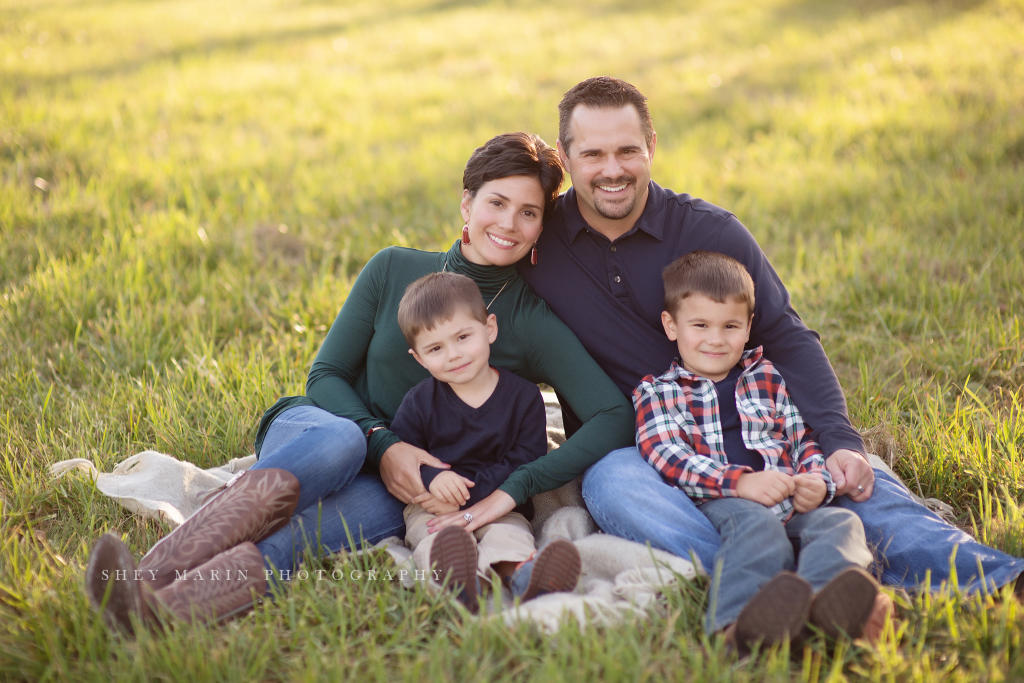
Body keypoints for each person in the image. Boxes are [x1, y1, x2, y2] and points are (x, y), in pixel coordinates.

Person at [84, 132, 633, 630]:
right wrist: (383, 441)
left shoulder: (529, 320)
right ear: (467, 203)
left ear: (541, 226)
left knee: (297, 540)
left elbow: (613, 414)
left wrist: (516, 488)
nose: (509, 224)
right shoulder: (393, 267)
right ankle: (138, 580)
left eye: (529, 213)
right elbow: (326, 375)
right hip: (323, 430)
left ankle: (157, 616)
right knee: (342, 441)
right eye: (496, 203)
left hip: (398, 490)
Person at [517, 76, 1024, 604]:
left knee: (859, 485)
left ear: (652, 147)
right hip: (643, 448)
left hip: (760, 427)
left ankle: (995, 577)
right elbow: (461, 306)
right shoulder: (534, 241)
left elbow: (786, 337)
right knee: (611, 486)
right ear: (565, 157)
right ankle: (799, 580)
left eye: (627, 150)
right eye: (593, 153)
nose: (613, 170)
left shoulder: (711, 232)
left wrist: (842, 441)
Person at [635, 251, 882, 648]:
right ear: (671, 325)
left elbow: (801, 438)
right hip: (720, 505)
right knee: (758, 527)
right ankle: (734, 627)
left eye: (730, 325)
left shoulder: (765, 376)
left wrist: (816, 480)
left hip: (788, 504)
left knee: (839, 524)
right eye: (700, 325)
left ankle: (823, 608)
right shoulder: (659, 391)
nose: (716, 339)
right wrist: (741, 483)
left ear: (749, 327)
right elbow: (666, 456)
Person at [391, 271, 581, 614]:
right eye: (435, 348)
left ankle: (526, 579)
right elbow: (406, 458)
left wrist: (472, 495)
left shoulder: (524, 397)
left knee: (509, 537)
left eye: (463, 336)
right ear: (418, 358)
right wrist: (435, 480)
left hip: (500, 502)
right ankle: (456, 580)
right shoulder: (419, 403)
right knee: (434, 537)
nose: (454, 354)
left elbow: (526, 460)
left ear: (489, 328)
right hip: (434, 506)